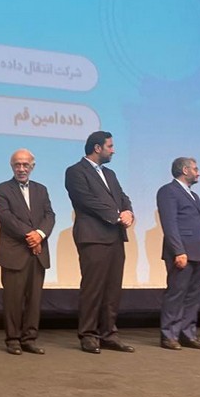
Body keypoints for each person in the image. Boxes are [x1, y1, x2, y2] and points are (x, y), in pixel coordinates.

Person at [64, 131, 135, 354]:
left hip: (115, 237)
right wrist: (116, 216)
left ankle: (109, 334)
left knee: (113, 289)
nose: (113, 150)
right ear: (97, 148)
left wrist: (128, 212)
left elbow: (122, 197)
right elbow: (86, 200)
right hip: (93, 237)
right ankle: (88, 334)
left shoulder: (110, 174)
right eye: (110, 146)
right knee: (93, 288)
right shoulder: (75, 171)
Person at [0, 149, 55, 355]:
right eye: (17, 165)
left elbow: (50, 215)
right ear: (12, 166)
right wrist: (31, 236)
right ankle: (13, 339)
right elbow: (7, 218)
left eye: (25, 165)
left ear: (32, 166)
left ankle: (29, 339)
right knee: (13, 299)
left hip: (38, 254)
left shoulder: (41, 190)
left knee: (34, 299)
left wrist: (40, 234)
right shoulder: (1, 189)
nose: (21, 169)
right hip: (14, 252)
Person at [156, 158, 200, 350]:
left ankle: (187, 334)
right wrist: (178, 251)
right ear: (185, 170)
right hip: (182, 252)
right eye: (196, 169)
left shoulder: (194, 195)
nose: (199, 172)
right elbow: (170, 224)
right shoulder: (168, 191)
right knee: (176, 294)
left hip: (199, 252)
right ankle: (169, 335)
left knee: (193, 296)